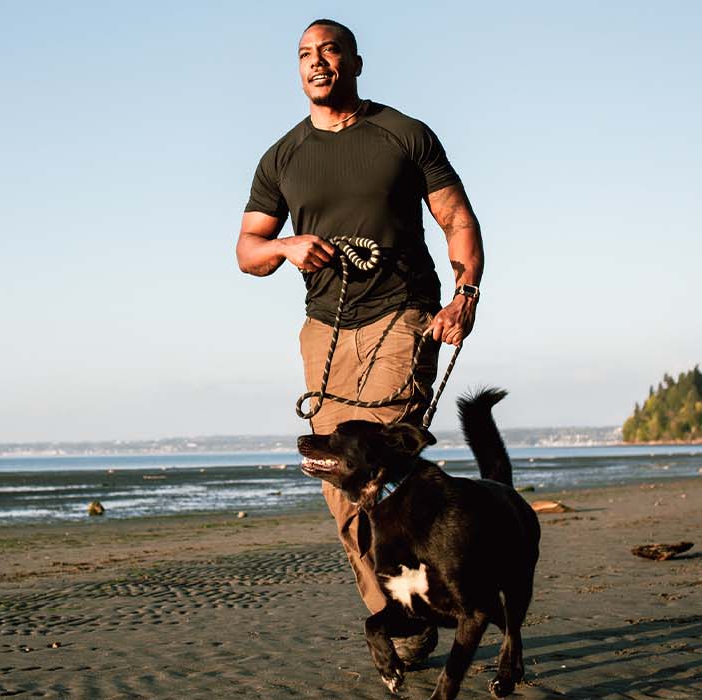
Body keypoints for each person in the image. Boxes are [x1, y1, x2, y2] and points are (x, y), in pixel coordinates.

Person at [235, 19, 485, 664]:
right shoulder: (282, 156)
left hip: (402, 316)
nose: (317, 63)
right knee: (337, 482)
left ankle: (429, 592)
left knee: (386, 467)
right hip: (324, 331)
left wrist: (465, 295)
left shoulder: (403, 134)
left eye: (330, 51)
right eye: (304, 55)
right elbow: (247, 250)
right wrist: (285, 245)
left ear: (355, 61)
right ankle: (392, 613)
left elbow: (455, 215)